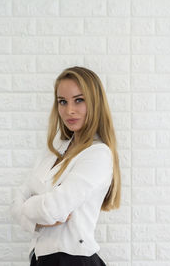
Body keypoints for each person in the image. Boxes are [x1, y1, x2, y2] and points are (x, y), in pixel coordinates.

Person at [10, 66, 121, 266]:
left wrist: (30, 208)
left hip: (72, 260)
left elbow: (53, 210)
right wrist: (36, 215)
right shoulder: (55, 149)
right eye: (63, 101)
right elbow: (18, 199)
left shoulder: (98, 154)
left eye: (79, 100)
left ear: (95, 103)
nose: (69, 110)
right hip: (41, 259)